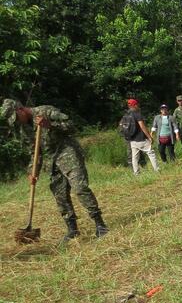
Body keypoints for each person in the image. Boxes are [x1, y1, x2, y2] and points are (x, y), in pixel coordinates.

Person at [1, 99, 108, 244]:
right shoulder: (23, 129)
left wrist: (50, 125)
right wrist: (33, 171)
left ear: (20, 109)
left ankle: (100, 224)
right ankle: (72, 230)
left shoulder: (45, 111)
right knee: (60, 195)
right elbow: (35, 151)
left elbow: (71, 126)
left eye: (16, 117)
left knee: (80, 188)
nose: (17, 122)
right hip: (51, 160)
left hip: (68, 153)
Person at [126, 99, 159, 175]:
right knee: (151, 153)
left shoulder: (127, 115)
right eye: (137, 104)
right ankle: (157, 170)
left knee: (134, 157)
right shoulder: (137, 113)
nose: (138, 106)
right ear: (134, 105)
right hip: (141, 139)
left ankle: (136, 173)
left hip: (132, 140)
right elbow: (142, 126)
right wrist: (149, 137)